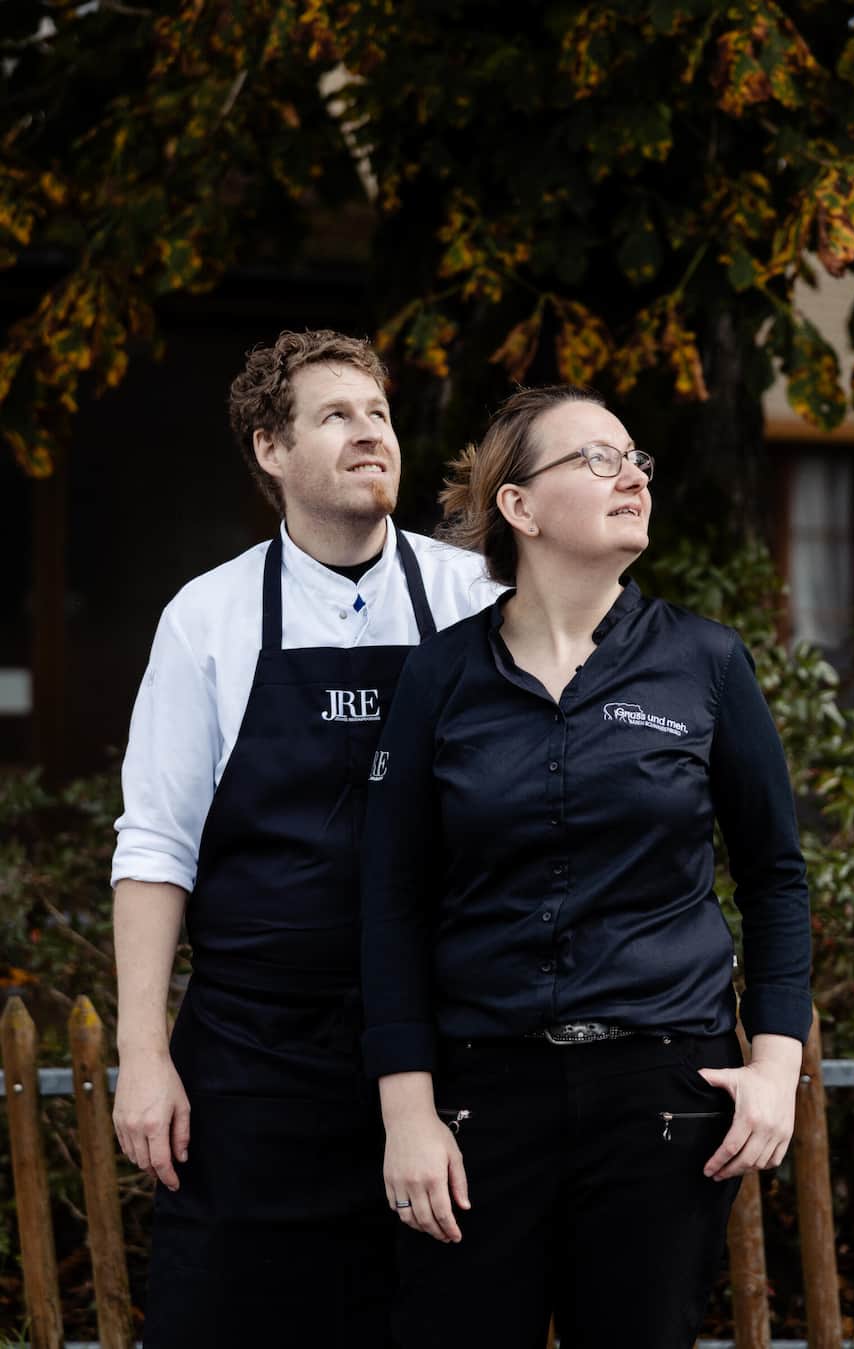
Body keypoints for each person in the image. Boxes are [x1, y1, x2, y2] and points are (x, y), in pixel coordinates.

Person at [361, 385, 812, 1349]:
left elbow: (775, 873)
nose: (633, 475)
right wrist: (407, 1110)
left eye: (637, 458)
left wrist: (776, 1063)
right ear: (519, 507)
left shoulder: (706, 662)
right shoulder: (439, 677)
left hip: (661, 1094)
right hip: (480, 1099)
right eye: (597, 459)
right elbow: (390, 900)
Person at [110, 329, 500, 1348]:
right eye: (336, 415)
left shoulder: (474, 600)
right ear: (269, 450)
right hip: (254, 1055)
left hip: (439, 1048)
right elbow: (155, 844)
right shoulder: (209, 616)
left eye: (377, 413)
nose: (370, 432)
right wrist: (143, 1051)